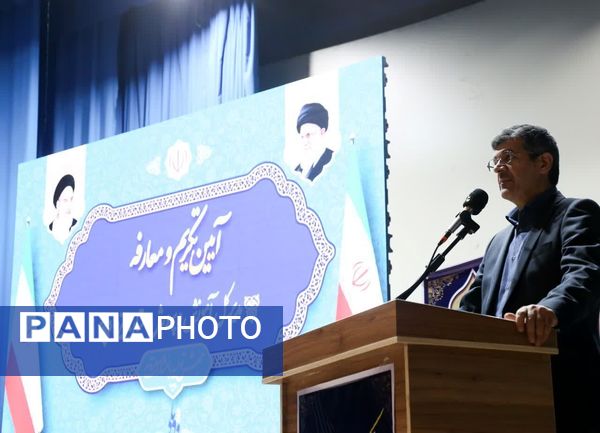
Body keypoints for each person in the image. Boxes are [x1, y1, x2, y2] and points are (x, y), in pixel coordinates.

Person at [459, 124, 600, 433]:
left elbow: (585, 274)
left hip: (562, 389)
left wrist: (548, 310)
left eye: (508, 157)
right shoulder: (497, 242)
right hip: (498, 394)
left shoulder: (576, 213)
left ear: (543, 163)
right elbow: (471, 307)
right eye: (495, 161)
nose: (499, 168)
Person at [294, 102, 334, 181]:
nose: (305, 142)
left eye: (308, 135)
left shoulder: (333, 162)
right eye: (302, 137)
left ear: (322, 131)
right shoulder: (299, 169)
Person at [49, 174, 78, 243]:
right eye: (65, 200)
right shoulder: (51, 228)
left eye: (71, 199)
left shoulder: (76, 225)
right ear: (57, 204)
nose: (69, 205)